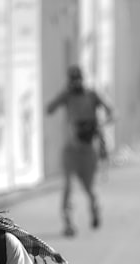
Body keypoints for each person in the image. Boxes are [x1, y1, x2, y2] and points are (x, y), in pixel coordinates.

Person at [46, 65, 114, 237]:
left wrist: (98, 126)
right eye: (73, 79)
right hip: (71, 149)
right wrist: (63, 94)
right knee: (68, 186)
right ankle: (69, 223)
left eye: (79, 79)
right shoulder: (67, 95)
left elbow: (112, 111)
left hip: (88, 150)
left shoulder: (92, 95)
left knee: (89, 188)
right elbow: (49, 109)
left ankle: (95, 209)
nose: (76, 83)